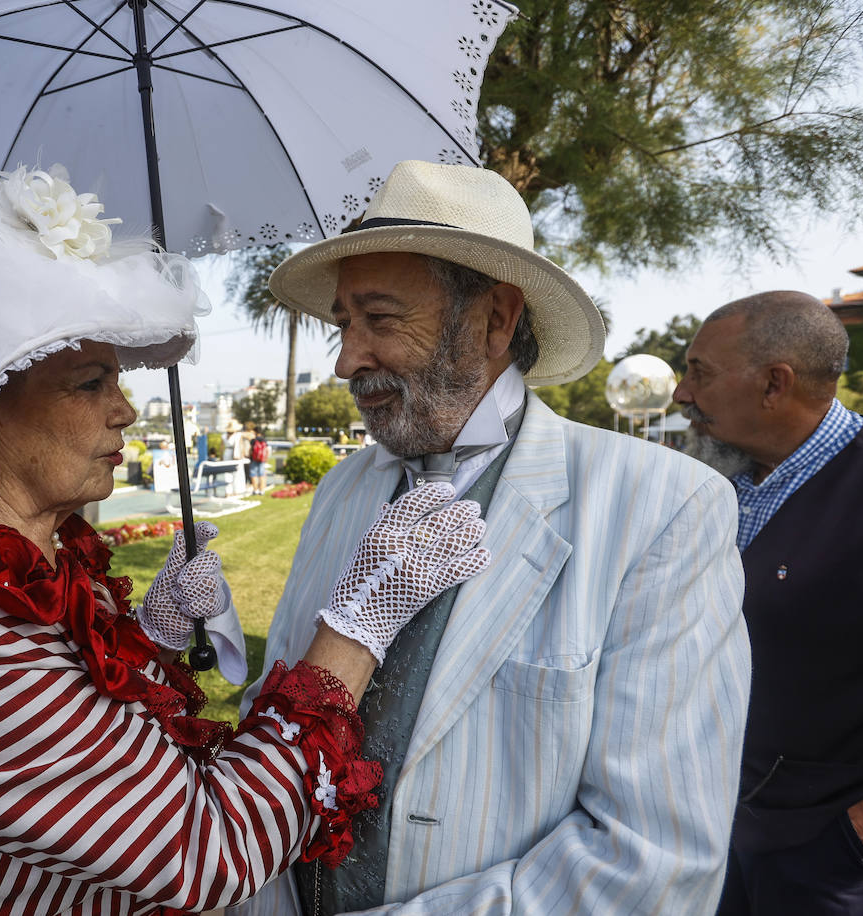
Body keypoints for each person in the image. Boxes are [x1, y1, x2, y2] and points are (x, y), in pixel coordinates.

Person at [0, 150, 492, 916]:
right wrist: (355, 627)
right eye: (90, 384)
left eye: (116, 380)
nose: (124, 410)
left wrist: (145, 641)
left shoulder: (1, 560)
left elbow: (72, 736)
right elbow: (204, 849)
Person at [233, 159, 752, 915]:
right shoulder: (344, 489)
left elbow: (652, 862)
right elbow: (279, 702)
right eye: (344, 324)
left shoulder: (661, 507)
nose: (348, 358)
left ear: (495, 320)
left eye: (380, 318)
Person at [672, 291, 863, 915]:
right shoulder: (739, 485)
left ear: (776, 385)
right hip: (736, 838)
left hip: (848, 867)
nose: (681, 395)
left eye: (700, 372)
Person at [248, 427, 270, 495]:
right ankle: (262, 490)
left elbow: (251, 450)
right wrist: (266, 458)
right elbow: (267, 450)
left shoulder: (253, 440)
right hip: (262, 459)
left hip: (254, 459)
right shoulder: (264, 440)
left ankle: (255, 490)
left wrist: (249, 456)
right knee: (262, 474)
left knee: (253, 474)